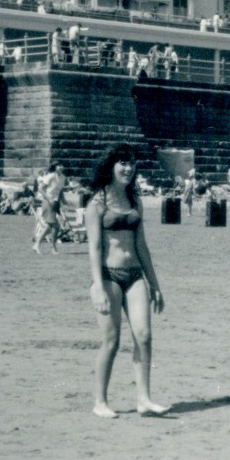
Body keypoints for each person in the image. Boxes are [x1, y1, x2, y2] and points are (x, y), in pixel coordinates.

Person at [84, 144, 168, 419]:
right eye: (123, 163)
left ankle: (144, 399)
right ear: (111, 166)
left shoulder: (135, 201)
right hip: (109, 276)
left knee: (144, 336)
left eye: (131, 163)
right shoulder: (96, 203)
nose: (128, 168)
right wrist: (97, 286)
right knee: (111, 341)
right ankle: (100, 402)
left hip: (135, 277)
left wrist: (154, 284)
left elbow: (142, 245)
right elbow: (95, 248)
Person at [33, 162, 67, 254]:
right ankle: (53, 247)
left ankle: (37, 244)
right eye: (59, 165)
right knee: (55, 225)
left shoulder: (63, 177)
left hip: (55, 203)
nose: (61, 167)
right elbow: (40, 188)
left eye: (62, 165)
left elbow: (60, 191)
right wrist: (48, 199)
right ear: (55, 167)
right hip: (47, 202)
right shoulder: (50, 176)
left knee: (50, 226)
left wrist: (64, 201)